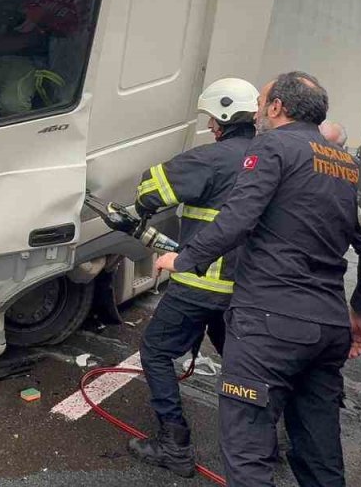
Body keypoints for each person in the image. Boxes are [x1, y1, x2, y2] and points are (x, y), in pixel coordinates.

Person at [154, 71, 361, 487]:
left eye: (262, 103)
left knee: (248, 453)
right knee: (320, 452)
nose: (258, 112)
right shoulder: (347, 163)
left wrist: (183, 259)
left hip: (269, 323)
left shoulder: (272, 147)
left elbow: (237, 220)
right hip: (328, 328)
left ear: (277, 108)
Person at [128, 77, 260, 477]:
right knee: (241, 363)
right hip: (247, 287)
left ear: (220, 118)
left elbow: (151, 191)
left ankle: (175, 443)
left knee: (155, 351)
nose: (209, 127)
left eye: (210, 119)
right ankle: (262, 443)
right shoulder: (269, 157)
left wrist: (142, 202)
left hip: (200, 283)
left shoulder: (212, 158)